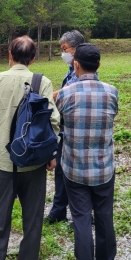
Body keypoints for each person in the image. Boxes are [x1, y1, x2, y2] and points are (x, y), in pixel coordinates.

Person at [0, 35, 60, 260]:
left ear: (10, 55)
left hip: (2, 163)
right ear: (33, 59)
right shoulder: (42, 82)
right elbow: (53, 121)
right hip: (33, 163)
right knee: (32, 222)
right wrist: (52, 154)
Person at [56, 43, 118, 260]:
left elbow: (58, 120)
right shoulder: (112, 92)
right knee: (104, 217)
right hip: (104, 169)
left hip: (75, 169)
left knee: (81, 220)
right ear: (98, 64)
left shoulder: (65, 94)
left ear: (75, 65)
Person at [46, 30, 87, 224]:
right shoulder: (71, 69)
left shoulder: (84, 70)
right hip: (65, 128)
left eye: (65, 49)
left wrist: (45, 95)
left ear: (77, 49)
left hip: (78, 130)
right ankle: (58, 211)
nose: (63, 54)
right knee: (61, 170)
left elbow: (67, 92)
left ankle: (82, 214)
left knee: (77, 173)